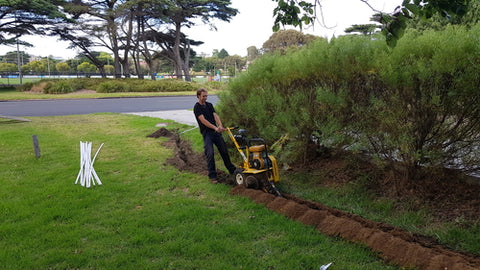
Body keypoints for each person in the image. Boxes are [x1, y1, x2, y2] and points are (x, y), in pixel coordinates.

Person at [193, 88, 236, 183]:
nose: (205, 97)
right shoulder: (197, 107)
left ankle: (232, 170)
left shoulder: (209, 105)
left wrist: (220, 125)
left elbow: (215, 115)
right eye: (203, 96)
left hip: (216, 132)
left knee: (224, 151)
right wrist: (215, 128)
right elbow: (203, 120)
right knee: (210, 153)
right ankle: (212, 175)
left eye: (206, 96)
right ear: (198, 96)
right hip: (207, 133)